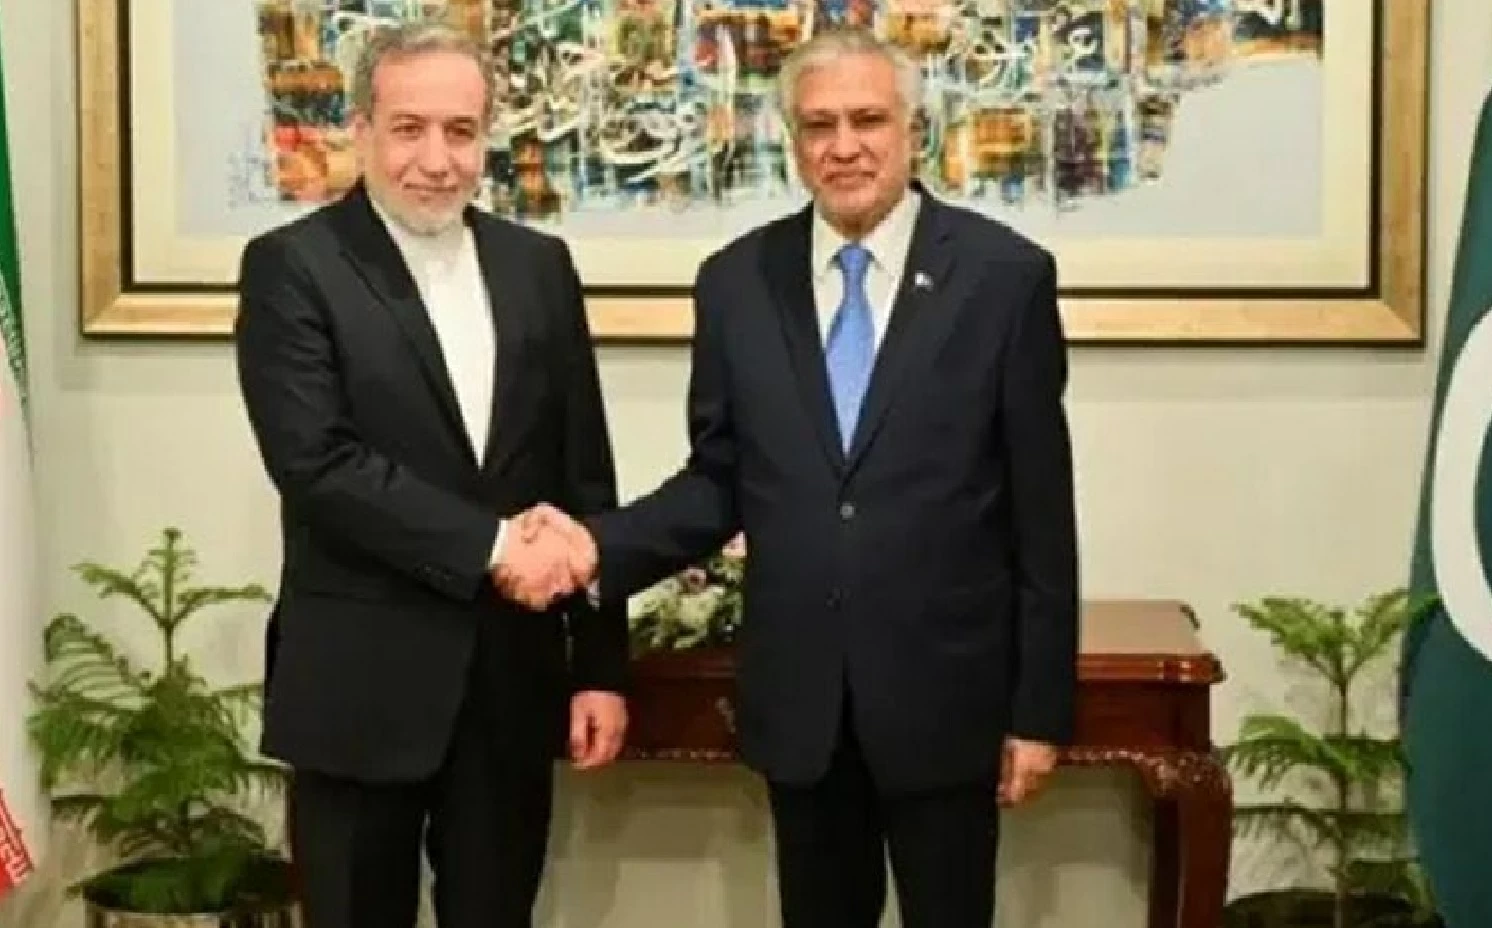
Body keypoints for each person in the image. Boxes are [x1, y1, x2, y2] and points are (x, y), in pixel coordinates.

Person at [518, 26, 1079, 928]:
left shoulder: (1003, 278)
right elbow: (719, 480)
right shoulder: (736, 282)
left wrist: (1040, 711)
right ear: (792, 138)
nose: (844, 146)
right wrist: (594, 546)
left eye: (868, 120)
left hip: (948, 702)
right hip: (804, 705)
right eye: (819, 125)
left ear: (913, 130)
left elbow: (1042, 514)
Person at [233, 22, 627, 928]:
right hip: (359, 687)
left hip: (510, 686)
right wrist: (494, 547)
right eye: (409, 129)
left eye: (461, 131)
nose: (437, 160)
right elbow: (316, 463)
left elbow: (584, 476)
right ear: (361, 130)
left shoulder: (540, 267)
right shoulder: (292, 267)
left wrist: (601, 667)